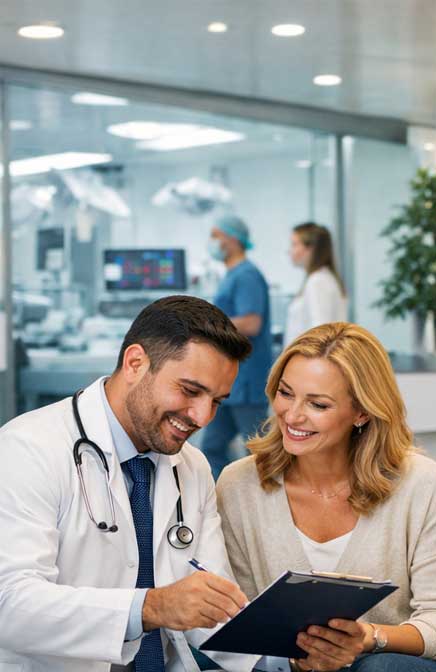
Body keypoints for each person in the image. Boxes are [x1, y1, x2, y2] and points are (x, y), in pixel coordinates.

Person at [0, 295, 258, 672]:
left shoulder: (192, 466)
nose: (202, 416)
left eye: (216, 401)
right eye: (189, 391)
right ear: (135, 363)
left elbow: (213, 605)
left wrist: (289, 656)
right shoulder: (29, 448)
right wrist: (150, 607)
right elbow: (9, 603)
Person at [217, 322, 436, 672]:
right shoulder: (239, 484)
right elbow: (240, 625)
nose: (293, 415)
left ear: (361, 412)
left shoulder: (420, 482)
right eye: (285, 393)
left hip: (406, 665)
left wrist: (368, 637)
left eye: (318, 404)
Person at [204, 214, 274, 477]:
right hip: (228, 381)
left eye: (216, 236)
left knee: (260, 451)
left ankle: (268, 503)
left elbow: (251, 322)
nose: (211, 242)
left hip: (246, 380)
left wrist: (207, 326)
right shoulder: (232, 275)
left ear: (233, 240)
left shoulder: (247, 276)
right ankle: (222, 502)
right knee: (212, 446)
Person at [284, 222, 348, 348]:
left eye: (294, 244)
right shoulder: (323, 278)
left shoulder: (318, 281)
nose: (290, 251)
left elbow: (321, 333)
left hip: (309, 363)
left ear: (310, 249)